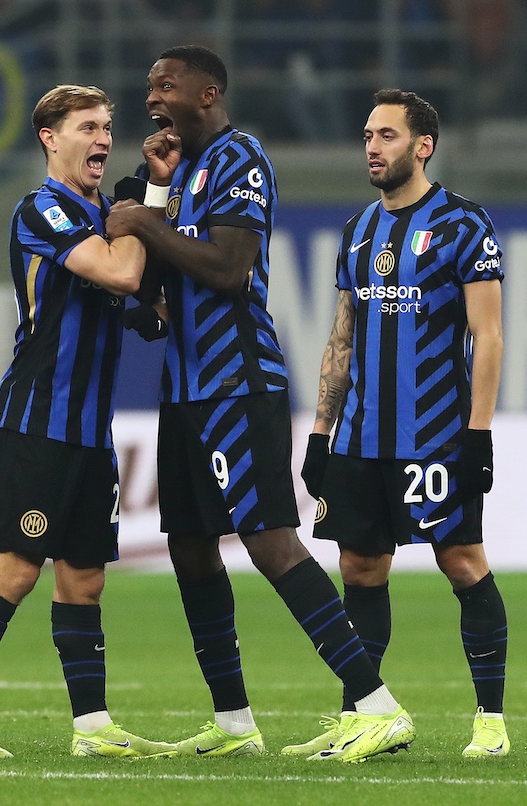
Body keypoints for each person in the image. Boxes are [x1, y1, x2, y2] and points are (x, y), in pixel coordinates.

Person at [106, 45, 415, 763]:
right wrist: (153, 198)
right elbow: (153, 293)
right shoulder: (180, 175)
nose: (152, 97)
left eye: (166, 84)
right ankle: (234, 722)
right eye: (150, 85)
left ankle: (376, 705)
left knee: (270, 540)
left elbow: (227, 266)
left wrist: (145, 224)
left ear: (207, 92)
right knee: (189, 550)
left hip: (238, 383)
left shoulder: (241, 158)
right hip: (185, 389)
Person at [0, 84, 174, 760]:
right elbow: (121, 276)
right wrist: (150, 205)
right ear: (50, 137)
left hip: (91, 431)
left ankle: (92, 727)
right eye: (88, 126)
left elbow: (139, 298)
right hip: (39, 420)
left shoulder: (104, 211)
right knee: (17, 569)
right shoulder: (42, 208)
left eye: (107, 126)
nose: (103, 138)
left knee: (85, 578)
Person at [289, 89, 510, 759]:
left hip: (435, 435)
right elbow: (341, 337)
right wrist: (320, 432)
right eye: (367, 136)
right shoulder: (357, 230)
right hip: (360, 436)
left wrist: (479, 432)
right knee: (358, 567)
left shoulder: (463, 224)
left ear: (423, 146)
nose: (372, 147)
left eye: (386, 135)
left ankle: (491, 721)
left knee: (462, 561)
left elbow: (489, 335)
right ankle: (362, 715)